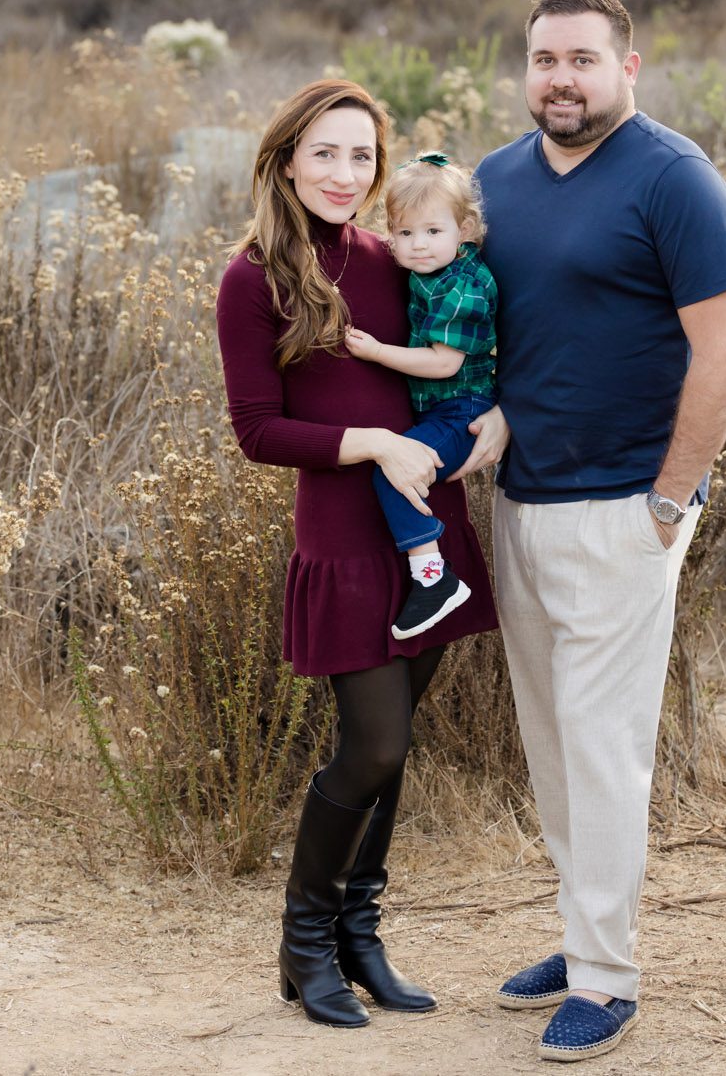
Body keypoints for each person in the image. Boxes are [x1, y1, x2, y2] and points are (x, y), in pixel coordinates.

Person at [456, 0, 726, 1062]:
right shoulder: (495, 180)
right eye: (544, 59)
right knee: (550, 741)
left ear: (628, 66)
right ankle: (584, 930)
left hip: (627, 507)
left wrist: (669, 500)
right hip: (521, 501)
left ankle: (606, 979)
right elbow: (486, 328)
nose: (561, 79)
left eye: (583, 59)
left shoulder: (675, 180)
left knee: (604, 745)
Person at [215, 80, 499, 1029]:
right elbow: (257, 430)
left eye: (362, 156)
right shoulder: (254, 277)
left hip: (427, 527)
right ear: (286, 160)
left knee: (396, 744)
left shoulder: (397, 256)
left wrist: (495, 416)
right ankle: (304, 945)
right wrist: (373, 443)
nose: (344, 174)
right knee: (371, 743)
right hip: (343, 534)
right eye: (325, 153)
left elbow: (469, 351)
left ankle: (359, 935)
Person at [344, 152, 498, 641]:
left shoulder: (463, 286)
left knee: (396, 472)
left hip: (463, 409)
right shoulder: (427, 271)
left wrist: (376, 352)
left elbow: (444, 363)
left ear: (464, 229)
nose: (419, 245)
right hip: (443, 408)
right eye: (405, 233)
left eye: (433, 231)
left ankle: (433, 578)